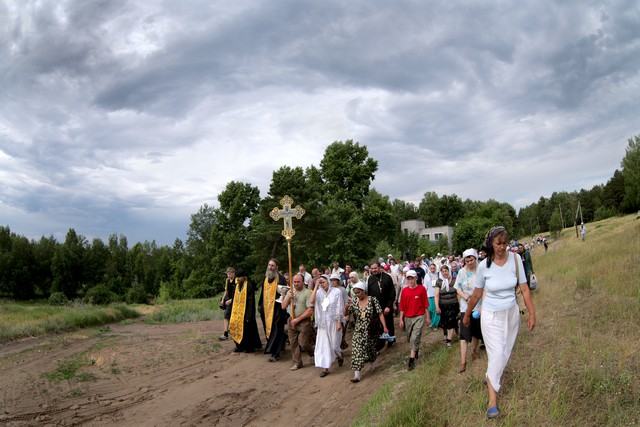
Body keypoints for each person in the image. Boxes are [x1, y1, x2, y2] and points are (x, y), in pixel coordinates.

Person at [463, 226, 536, 419]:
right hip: (491, 316)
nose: (502, 247)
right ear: (491, 245)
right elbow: (477, 294)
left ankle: (489, 376)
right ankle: (492, 402)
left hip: (511, 314)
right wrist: (467, 314)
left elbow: (525, 288)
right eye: (498, 244)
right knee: (495, 354)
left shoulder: (515, 259)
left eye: (504, 243)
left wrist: (532, 313)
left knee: (505, 352)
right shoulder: (483, 267)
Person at [345, 282, 389, 383]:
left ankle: (373, 362)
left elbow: (380, 313)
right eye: (355, 293)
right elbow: (348, 312)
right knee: (357, 350)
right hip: (359, 330)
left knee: (370, 348)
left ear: (364, 291)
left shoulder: (372, 300)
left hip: (371, 330)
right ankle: (357, 375)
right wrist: (345, 309)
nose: (357, 295)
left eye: (359, 292)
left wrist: (385, 327)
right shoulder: (355, 302)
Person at [310, 274, 344, 377]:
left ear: (328, 282)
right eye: (320, 283)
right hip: (322, 324)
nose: (322, 284)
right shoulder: (318, 293)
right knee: (323, 346)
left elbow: (340, 307)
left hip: (333, 322)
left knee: (334, 345)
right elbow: (311, 301)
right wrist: (316, 286)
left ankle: (339, 355)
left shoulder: (336, 292)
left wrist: (339, 322)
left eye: (323, 282)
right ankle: (325, 368)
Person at [454, 249, 482, 373]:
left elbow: (485, 288)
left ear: (475, 259)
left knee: (476, 333)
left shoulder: (481, 271)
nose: (470, 263)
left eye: (472, 260)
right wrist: (466, 298)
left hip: (479, 306)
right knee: (464, 335)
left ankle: (474, 350)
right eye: (467, 260)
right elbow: (457, 288)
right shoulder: (461, 272)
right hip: (465, 307)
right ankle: (463, 361)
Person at [281, 273, 314, 371]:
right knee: (293, 343)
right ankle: (297, 362)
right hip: (291, 319)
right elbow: (283, 306)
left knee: (303, 343)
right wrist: (288, 298)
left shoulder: (307, 293)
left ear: (303, 282)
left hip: (303, 321)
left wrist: (298, 319)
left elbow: (310, 310)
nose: (296, 284)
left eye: (298, 282)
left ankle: (312, 354)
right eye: (294, 282)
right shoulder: (290, 292)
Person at [398, 270, 430, 371]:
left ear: (416, 278)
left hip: (419, 316)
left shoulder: (422, 289)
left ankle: (411, 360)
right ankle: (415, 349)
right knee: (410, 337)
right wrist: (401, 319)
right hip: (407, 317)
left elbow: (425, 304)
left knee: (414, 337)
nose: (410, 280)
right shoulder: (405, 290)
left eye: (412, 278)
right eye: (408, 278)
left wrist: (428, 317)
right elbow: (402, 306)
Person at [258, 258, 288, 362]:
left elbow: (285, 292)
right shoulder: (265, 278)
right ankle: (278, 344)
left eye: (272, 266)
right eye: (269, 265)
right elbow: (262, 292)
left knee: (276, 330)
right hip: (266, 309)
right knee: (269, 329)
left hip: (277, 309)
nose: (270, 267)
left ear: (276, 267)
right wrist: (259, 304)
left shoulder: (280, 278)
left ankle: (275, 353)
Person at [229, 269, 262, 353]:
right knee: (235, 327)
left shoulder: (249, 286)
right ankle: (239, 346)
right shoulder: (236, 286)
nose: (238, 279)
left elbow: (251, 302)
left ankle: (249, 347)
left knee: (247, 330)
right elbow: (233, 299)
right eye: (237, 277)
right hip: (237, 312)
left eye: (239, 277)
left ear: (244, 277)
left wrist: (249, 315)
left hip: (246, 312)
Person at [366, 261, 396, 349]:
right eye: (372, 269)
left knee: (389, 323)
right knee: (378, 325)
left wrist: (389, 305)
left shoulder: (387, 277)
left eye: (375, 268)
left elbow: (392, 292)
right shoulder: (370, 279)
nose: (373, 270)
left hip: (386, 305)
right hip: (376, 307)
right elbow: (369, 294)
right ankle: (380, 342)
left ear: (379, 267)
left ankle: (391, 339)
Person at [434, 264, 459, 348]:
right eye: (443, 271)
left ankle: (449, 340)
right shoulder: (439, 281)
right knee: (444, 322)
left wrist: (460, 304)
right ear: (441, 272)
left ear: (449, 271)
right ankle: (445, 333)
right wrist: (437, 306)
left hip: (453, 304)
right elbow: (436, 295)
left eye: (446, 271)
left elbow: (458, 292)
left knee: (452, 321)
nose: (445, 273)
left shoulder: (454, 280)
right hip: (443, 305)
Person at [218, 267, 236, 341]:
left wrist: (232, 300)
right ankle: (226, 333)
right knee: (226, 314)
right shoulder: (227, 281)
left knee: (231, 316)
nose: (228, 276)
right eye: (227, 274)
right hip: (228, 300)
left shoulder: (237, 280)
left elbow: (238, 292)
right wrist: (222, 299)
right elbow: (226, 291)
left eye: (229, 274)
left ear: (233, 273)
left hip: (235, 300)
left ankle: (227, 333)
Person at [426, 263, 440, 329]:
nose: (432, 270)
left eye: (433, 268)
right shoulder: (427, 276)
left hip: (436, 294)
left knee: (435, 309)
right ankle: (431, 321)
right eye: (431, 268)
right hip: (429, 294)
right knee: (430, 309)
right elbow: (425, 285)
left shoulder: (438, 275)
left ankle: (435, 324)